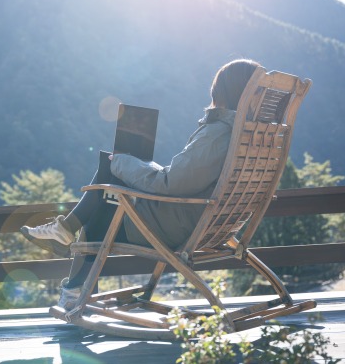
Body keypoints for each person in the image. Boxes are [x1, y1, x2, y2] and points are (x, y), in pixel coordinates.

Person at [21, 59, 260, 310]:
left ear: (221, 92)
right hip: (208, 222)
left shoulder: (218, 133)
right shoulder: (249, 134)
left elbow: (171, 183)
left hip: (176, 226)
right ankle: (72, 273)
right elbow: (182, 178)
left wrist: (122, 164)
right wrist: (133, 165)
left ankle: (72, 272)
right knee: (109, 188)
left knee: (107, 187)